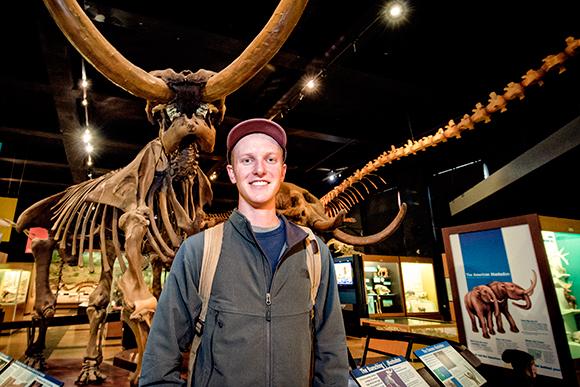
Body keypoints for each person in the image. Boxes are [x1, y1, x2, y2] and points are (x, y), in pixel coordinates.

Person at [139, 118, 349, 386]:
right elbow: (159, 362)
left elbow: (332, 356)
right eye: (247, 160)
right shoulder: (198, 252)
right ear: (231, 172)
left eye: (270, 160)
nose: (259, 170)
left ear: (283, 171)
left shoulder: (314, 253)